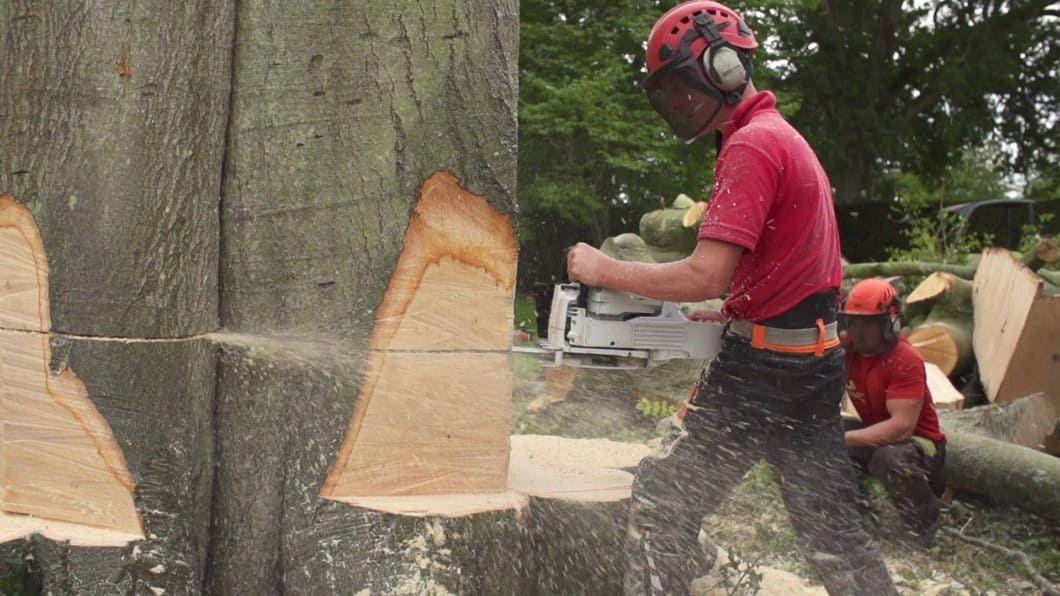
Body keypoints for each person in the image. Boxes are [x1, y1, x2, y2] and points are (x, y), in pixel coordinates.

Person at [564, 2, 898, 594]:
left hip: (762, 373)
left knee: (662, 503)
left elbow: (705, 274)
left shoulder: (752, 146)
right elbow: (803, 264)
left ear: (723, 67)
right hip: (816, 361)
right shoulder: (780, 137)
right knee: (834, 535)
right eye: (667, 92)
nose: (677, 102)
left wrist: (604, 268)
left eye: (680, 86)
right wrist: (742, 306)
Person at [840, 278, 948, 547]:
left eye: (868, 324)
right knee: (827, 434)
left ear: (889, 323)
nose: (858, 332)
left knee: (889, 458)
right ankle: (855, 517)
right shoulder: (847, 351)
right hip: (876, 433)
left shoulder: (905, 359)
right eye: (853, 323)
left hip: (920, 445)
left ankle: (924, 523)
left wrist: (845, 440)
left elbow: (901, 427)